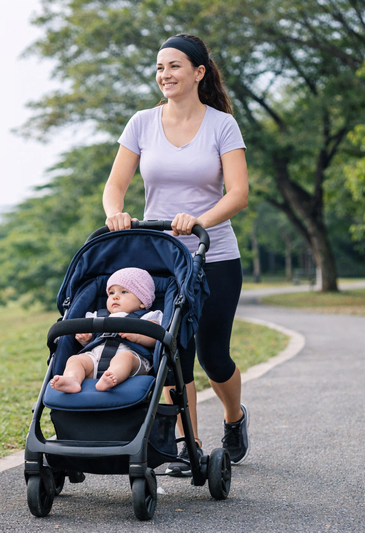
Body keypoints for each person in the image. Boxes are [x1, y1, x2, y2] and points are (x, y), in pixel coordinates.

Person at [102, 33, 250, 474]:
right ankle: (191, 444)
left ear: (198, 72)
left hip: (214, 254)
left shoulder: (222, 125)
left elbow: (238, 193)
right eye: (160, 68)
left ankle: (234, 418)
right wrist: (116, 214)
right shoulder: (141, 123)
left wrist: (201, 217)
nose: (165, 75)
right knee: (171, 353)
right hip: (161, 256)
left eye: (174, 66)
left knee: (212, 355)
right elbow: (115, 186)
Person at [50, 267, 163, 394]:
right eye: (112, 293)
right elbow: (94, 342)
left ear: (142, 301)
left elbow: (156, 336)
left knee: (124, 358)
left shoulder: (147, 317)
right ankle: (72, 379)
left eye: (124, 292)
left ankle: (112, 376)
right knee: (75, 360)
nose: (115, 297)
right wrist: (86, 340)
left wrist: (137, 336)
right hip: (95, 358)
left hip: (133, 358)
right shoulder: (97, 316)